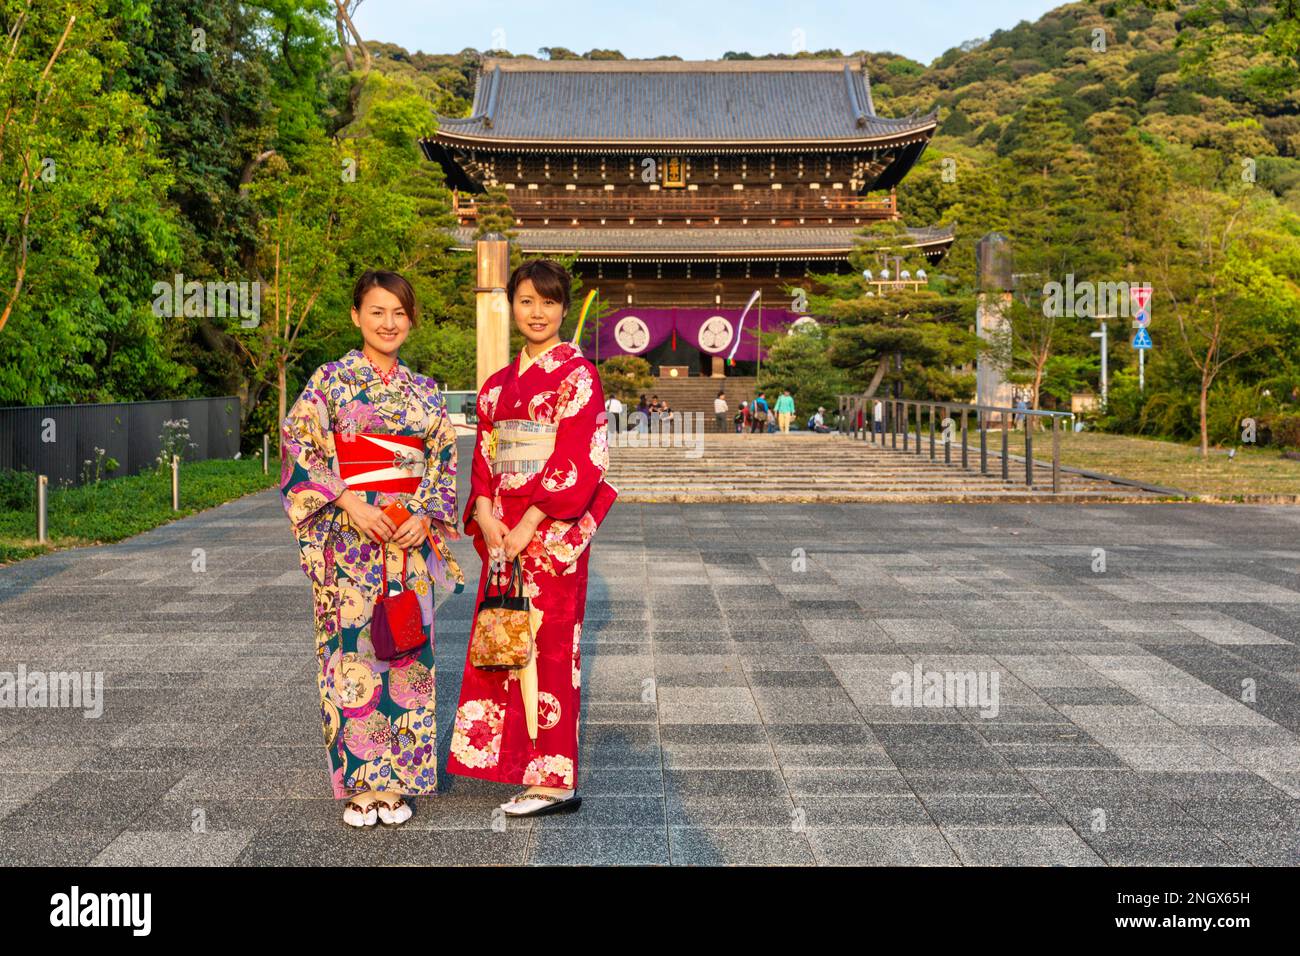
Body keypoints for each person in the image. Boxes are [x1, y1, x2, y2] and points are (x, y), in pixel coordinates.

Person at [280, 269, 465, 829]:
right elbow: (299, 446)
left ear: (410, 321)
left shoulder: (426, 391)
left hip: (405, 542)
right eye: (378, 311)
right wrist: (346, 499)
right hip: (350, 539)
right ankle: (362, 784)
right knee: (353, 656)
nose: (389, 323)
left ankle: (400, 778)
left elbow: (442, 460)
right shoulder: (330, 382)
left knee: (406, 651)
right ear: (357, 316)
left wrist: (425, 511)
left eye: (400, 313)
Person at [448, 258, 618, 817]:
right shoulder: (497, 387)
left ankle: (554, 780)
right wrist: (484, 511)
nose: (537, 312)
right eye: (526, 301)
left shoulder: (579, 377)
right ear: (512, 307)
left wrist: (527, 522)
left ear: (564, 309)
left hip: (549, 530)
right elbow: (485, 462)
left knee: (549, 650)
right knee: (504, 644)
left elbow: (580, 458)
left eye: (548, 302)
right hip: (503, 532)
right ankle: (517, 764)